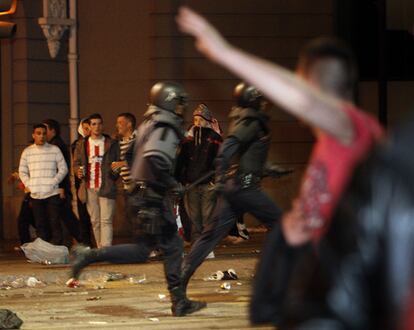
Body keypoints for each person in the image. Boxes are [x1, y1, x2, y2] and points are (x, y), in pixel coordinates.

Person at [176, 7, 384, 325]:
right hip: (324, 282)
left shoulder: (353, 128)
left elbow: (307, 101)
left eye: (299, 84)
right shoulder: (330, 142)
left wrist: (225, 52)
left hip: (348, 292)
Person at [68, 82, 206, 317]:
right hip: (151, 196)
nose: (183, 108)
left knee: (144, 250)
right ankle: (179, 301)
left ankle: (90, 255)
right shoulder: (164, 126)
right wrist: (172, 185)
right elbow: (154, 159)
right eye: (180, 103)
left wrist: (141, 181)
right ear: (170, 102)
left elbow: (134, 154)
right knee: (171, 248)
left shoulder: (149, 123)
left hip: (142, 195)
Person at [180, 82, 283, 289]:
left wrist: (268, 168)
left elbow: (249, 154)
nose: (265, 104)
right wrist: (219, 177)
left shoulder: (246, 119)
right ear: (253, 101)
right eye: (261, 99)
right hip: (245, 188)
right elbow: (227, 150)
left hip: (236, 188)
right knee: (283, 226)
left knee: (210, 236)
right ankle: (272, 274)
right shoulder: (251, 122)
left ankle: (180, 278)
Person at [175, 103, 222, 255]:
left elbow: (221, 158)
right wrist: (180, 180)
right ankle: (197, 248)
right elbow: (181, 159)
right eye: (195, 119)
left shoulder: (214, 137)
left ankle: (207, 248)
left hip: (208, 183)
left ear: (206, 120)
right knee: (194, 218)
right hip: (191, 184)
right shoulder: (189, 138)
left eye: (200, 118)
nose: (197, 121)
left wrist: (216, 180)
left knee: (207, 217)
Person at [73, 113, 118, 248]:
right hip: (89, 186)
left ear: (102, 126)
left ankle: (106, 248)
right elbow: (76, 163)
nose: (97, 127)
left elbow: (117, 162)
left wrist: (114, 173)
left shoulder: (111, 143)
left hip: (106, 185)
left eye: (99, 124)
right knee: (95, 221)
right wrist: (78, 171)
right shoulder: (82, 144)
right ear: (89, 127)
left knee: (106, 220)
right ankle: (100, 248)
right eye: (94, 124)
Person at [18, 124, 68, 244]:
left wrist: (53, 182)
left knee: (54, 222)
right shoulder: (27, 152)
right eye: (38, 133)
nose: (41, 136)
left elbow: (63, 169)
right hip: (36, 194)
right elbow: (22, 170)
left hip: (52, 193)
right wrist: (29, 184)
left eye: (44, 133)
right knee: (40, 224)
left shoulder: (54, 150)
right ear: (33, 135)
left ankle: (57, 249)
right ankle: (43, 251)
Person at [43, 118, 80, 246]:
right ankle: (81, 240)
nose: (43, 134)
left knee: (63, 217)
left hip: (59, 188)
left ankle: (80, 241)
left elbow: (61, 168)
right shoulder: (54, 145)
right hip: (57, 187)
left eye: (45, 130)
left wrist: (61, 187)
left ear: (52, 131)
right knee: (64, 217)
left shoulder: (57, 146)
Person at [70, 118, 92, 246]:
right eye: (85, 128)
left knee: (96, 217)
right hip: (82, 184)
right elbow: (75, 164)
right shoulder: (77, 144)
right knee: (84, 215)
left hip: (96, 183)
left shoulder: (101, 141)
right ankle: (87, 243)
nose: (88, 131)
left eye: (89, 127)